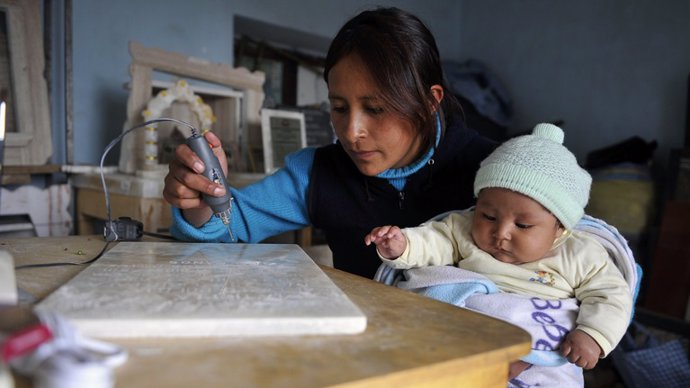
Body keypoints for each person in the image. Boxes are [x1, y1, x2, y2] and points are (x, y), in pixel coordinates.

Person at [162, 7, 496, 279]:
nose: (351, 133)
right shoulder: (317, 173)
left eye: (376, 109)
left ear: (429, 102)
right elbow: (229, 229)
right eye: (338, 108)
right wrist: (203, 199)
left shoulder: (493, 172)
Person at [364, 123, 633, 384]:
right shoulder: (463, 229)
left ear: (559, 227)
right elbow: (434, 241)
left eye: (523, 225)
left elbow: (611, 294)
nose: (501, 232)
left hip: (538, 346)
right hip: (468, 336)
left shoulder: (581, 254)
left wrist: (593, 334)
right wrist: (402, 245)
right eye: (489, 216)